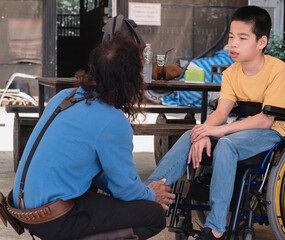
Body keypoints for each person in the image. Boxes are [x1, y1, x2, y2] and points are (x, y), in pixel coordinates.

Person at [144, 6, 285, 240]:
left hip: (273, 133)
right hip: (242, 131)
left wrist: (218, 131)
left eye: (242, 38)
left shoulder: (277, 69)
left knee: (227, 145)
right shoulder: (231, 73)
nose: (233, 44)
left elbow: (266, 120)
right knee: (190, 135)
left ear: (261, 42)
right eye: (231, 38)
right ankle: (146, 194)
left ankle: (216, 228)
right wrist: (204, 132)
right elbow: (221, 113)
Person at [11, 30, 175, 240]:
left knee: (97, 184)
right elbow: (126, 190)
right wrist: (151, 194)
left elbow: (102, 174)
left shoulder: (64, 96)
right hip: (52, 218)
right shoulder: (112, 121)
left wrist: (138, 189)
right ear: (129, 80)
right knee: (153, 214)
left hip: (22, 207)